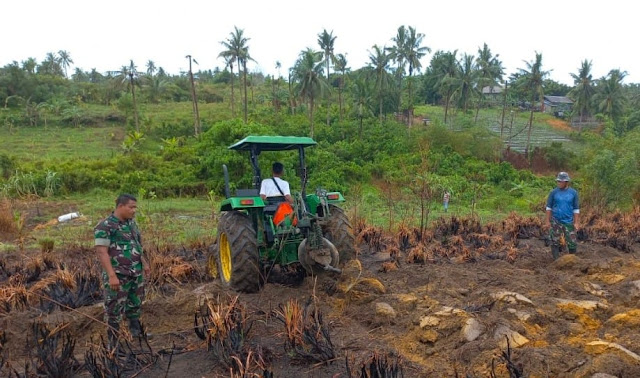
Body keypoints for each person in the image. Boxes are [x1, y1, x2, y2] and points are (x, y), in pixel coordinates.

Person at [94, 194, 150, 345]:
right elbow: (102, 252)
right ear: (120, 206)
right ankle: (114, 342)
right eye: (131, 207)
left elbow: (136, 245)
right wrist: (112, 276)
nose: (134, 210)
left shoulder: (131, 223)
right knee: (114, 309)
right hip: (119, 275)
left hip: (135, 273)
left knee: (135, 303)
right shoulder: (105, 226)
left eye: (135, 207)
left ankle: (136, 333)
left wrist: (144, 263)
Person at [546, 172, 580, 259]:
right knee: (554, 241)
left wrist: (576, 222)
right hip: (555, 220)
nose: (559, 183)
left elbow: (576, 209)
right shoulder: (553, 193)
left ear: (566, 182)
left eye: (561, 181)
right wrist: (547, 221)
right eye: (558, 181)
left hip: (568, 221)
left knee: (572, 241)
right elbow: (548, 208)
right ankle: (556, 259)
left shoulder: (573, 193)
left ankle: (572, 259)